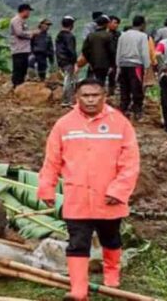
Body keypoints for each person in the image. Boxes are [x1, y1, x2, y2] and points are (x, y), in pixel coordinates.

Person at [38, 78, 140, 300]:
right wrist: (46, 187)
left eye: (95, 95)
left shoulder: (120, 123)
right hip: (78, 197)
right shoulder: (64, 125)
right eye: (86, 95)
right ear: (77, 97)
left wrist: (118, 190)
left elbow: (130, 162)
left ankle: (112, 276)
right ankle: (78, 290)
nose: (91, 100)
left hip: (109, 198)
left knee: (110, 238)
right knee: (77, 243)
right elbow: (52, 160)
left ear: (104, 97)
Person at [116, 15, 150, 120]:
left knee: (124, 89)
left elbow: (119, 51)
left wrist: (118, 65)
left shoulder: (123, 35)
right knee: (137, 89)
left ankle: (123, 109)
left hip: (123, 64)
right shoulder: (143, 36)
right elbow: (144, 52)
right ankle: (137, 111)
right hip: (136, 65)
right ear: (142, 24)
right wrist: (147, 66)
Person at [79, 15, 114, 84]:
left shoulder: (90, 36)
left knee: (95, 78)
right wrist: (112, 64)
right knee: (102, 79)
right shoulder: (108, 35)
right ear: (106, 24)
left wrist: (90, 60)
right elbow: (112, 51)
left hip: (93, 63)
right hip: (105, 63)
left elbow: (85, 50)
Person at [10, 4, 37, 87]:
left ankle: (20, 86)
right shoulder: (16, 20)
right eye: (28, 11)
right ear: (24, 11)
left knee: (23, 69)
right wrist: (31, 34)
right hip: (19, 49)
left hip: (24, 49)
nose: (29, 13)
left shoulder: (22, 21)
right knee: (18, 69)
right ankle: (16, 87)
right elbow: (19, 33)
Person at [56, 16, 78, 106]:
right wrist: (75, 62)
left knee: (66, 79)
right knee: (68, 80)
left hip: (61, 60)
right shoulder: (69, 36)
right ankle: (67, 100)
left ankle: (66, 99)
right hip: (68, 61)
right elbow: (71, 50)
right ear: (71, 25)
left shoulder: (59, 35)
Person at [107, 16, 122, 96]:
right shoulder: (105, 34)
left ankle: (111, 91)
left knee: (114, 75)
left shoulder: (119, 34)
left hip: (116, 57)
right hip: (106, 58)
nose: (116, 25)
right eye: (114, 23)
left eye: (117, 23)